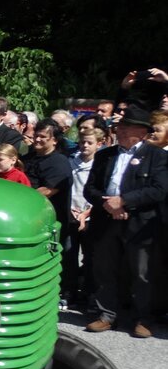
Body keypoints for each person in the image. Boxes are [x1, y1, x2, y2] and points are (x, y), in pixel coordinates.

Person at [83, 106, 168, 337]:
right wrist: (107, 203)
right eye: (119, 126)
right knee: (105, 269)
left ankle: (144, 318)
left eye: (125, 127)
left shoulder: (158, 156)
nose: (119, 130)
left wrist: (125, 201)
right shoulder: (105, 155)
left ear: (141, 132)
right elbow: (90, 189)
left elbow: (159, 190)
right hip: (106, 219)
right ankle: (106, 315)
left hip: (140, 224)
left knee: (142, 272)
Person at [65, 127, 105, 307]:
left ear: (99, 144)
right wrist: (71, 210)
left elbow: (98, 191)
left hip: (89, 215)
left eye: (90, 143)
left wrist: (85, 213)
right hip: (72, 213)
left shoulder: (100, 164)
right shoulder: (72, 162)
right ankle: (69, 291)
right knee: (69, 253)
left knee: (90, 256)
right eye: (82, 142)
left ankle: (89, 292)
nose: (85, 146)